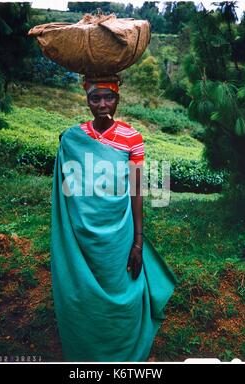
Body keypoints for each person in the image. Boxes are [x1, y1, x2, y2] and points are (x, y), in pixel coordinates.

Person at [50, 76, 177, 362]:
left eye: (109, 98)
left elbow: (135, 189)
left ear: (118, 99)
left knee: (124, 289)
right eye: (95, 98)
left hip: (119, 232)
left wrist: (138, 241)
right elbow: (71, 185)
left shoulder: (132, 138)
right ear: (87, 100)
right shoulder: (74, 136)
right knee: (81, 290)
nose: (102, 104)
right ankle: (87, 347)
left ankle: (125, 347)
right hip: (82, 233)